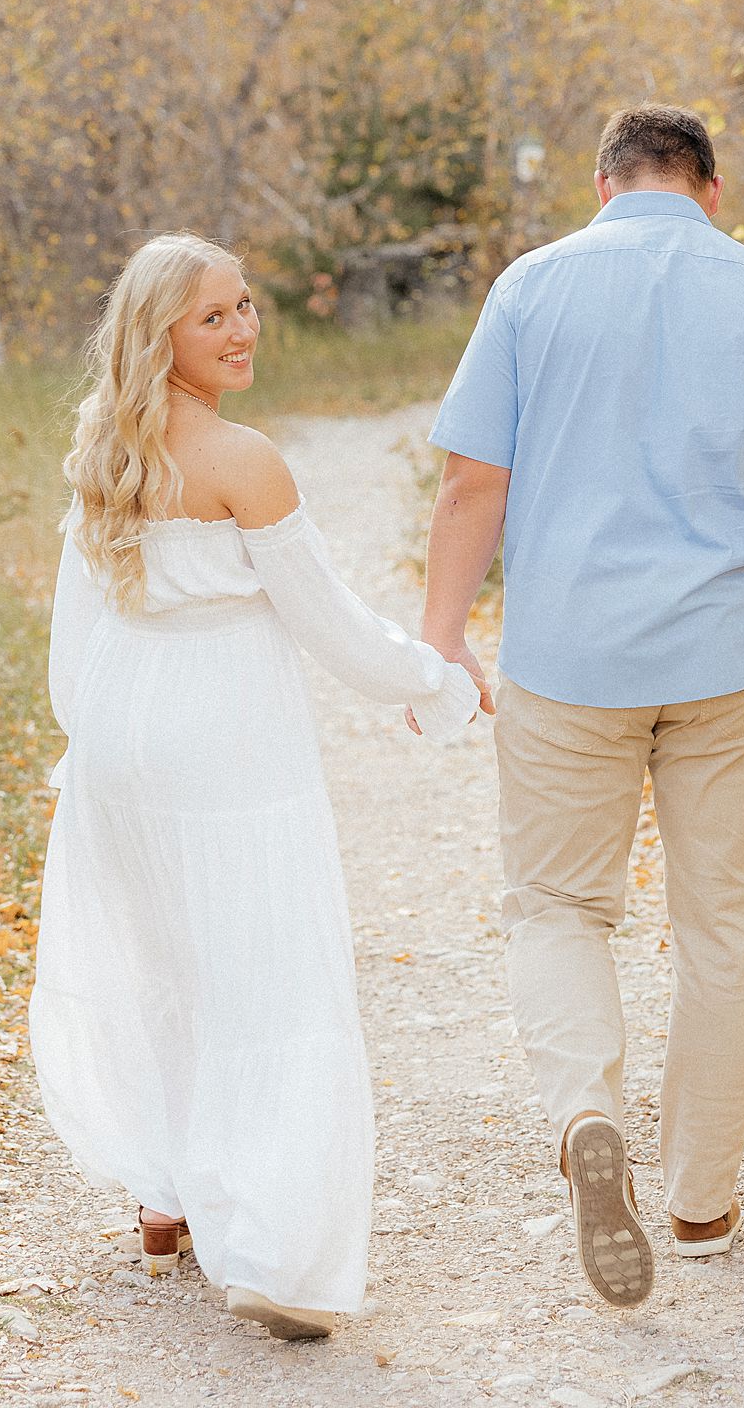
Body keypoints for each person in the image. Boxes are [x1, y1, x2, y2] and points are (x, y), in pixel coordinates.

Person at [420, 105, 744, 1308]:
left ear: (600, 184)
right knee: (726, 924)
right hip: (728, 659)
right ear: (712, 189)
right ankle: (703, 1198)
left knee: (558, 905)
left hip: (569, 659)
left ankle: (584, 1118)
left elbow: (472, 481)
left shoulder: (530, 288)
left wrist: (443, 638)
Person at [29, 232, 479, 1343]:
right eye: (212, 317)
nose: (242, 331)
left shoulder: (102, 445)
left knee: (167, 963)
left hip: (122, 738)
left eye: (244, 306)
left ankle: (166, 1196)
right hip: (225, 739)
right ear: (159, 337)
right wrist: (437, 682)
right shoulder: (245, 459)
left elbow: (71, 632)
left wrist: (88, 744)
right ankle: (276, 1252)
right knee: (269, 978)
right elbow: (328, 621)